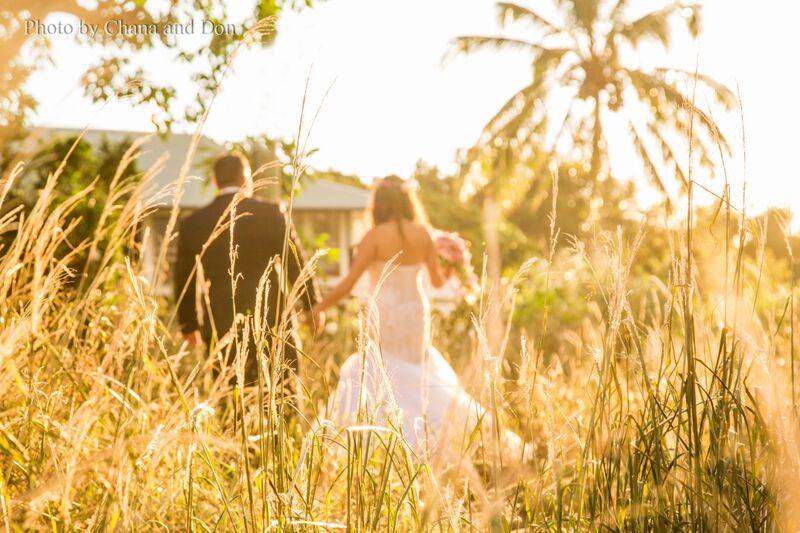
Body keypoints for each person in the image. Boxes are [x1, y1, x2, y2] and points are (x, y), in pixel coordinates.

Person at [312, 175, 523, 458]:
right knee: (416, 373)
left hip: (386, 312)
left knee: (384, 373)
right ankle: (442, 437)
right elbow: (436, 282)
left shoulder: (374, 237)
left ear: (379, 204)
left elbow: (349, 283)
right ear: (407, 200)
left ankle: (390, 446)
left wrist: (318, 307)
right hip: (414, 312)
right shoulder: (423, 234)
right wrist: (453, 268)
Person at [173, 152, 321, 386]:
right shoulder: (272, 214)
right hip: (272, 318)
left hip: (221, 321)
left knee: (231, 399)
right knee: (282, 394)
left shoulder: (194, 223)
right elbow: (295, 263)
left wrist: (188, 323)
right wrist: (313, 303)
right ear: (246, 179)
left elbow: (184, 277)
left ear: (215, 181)